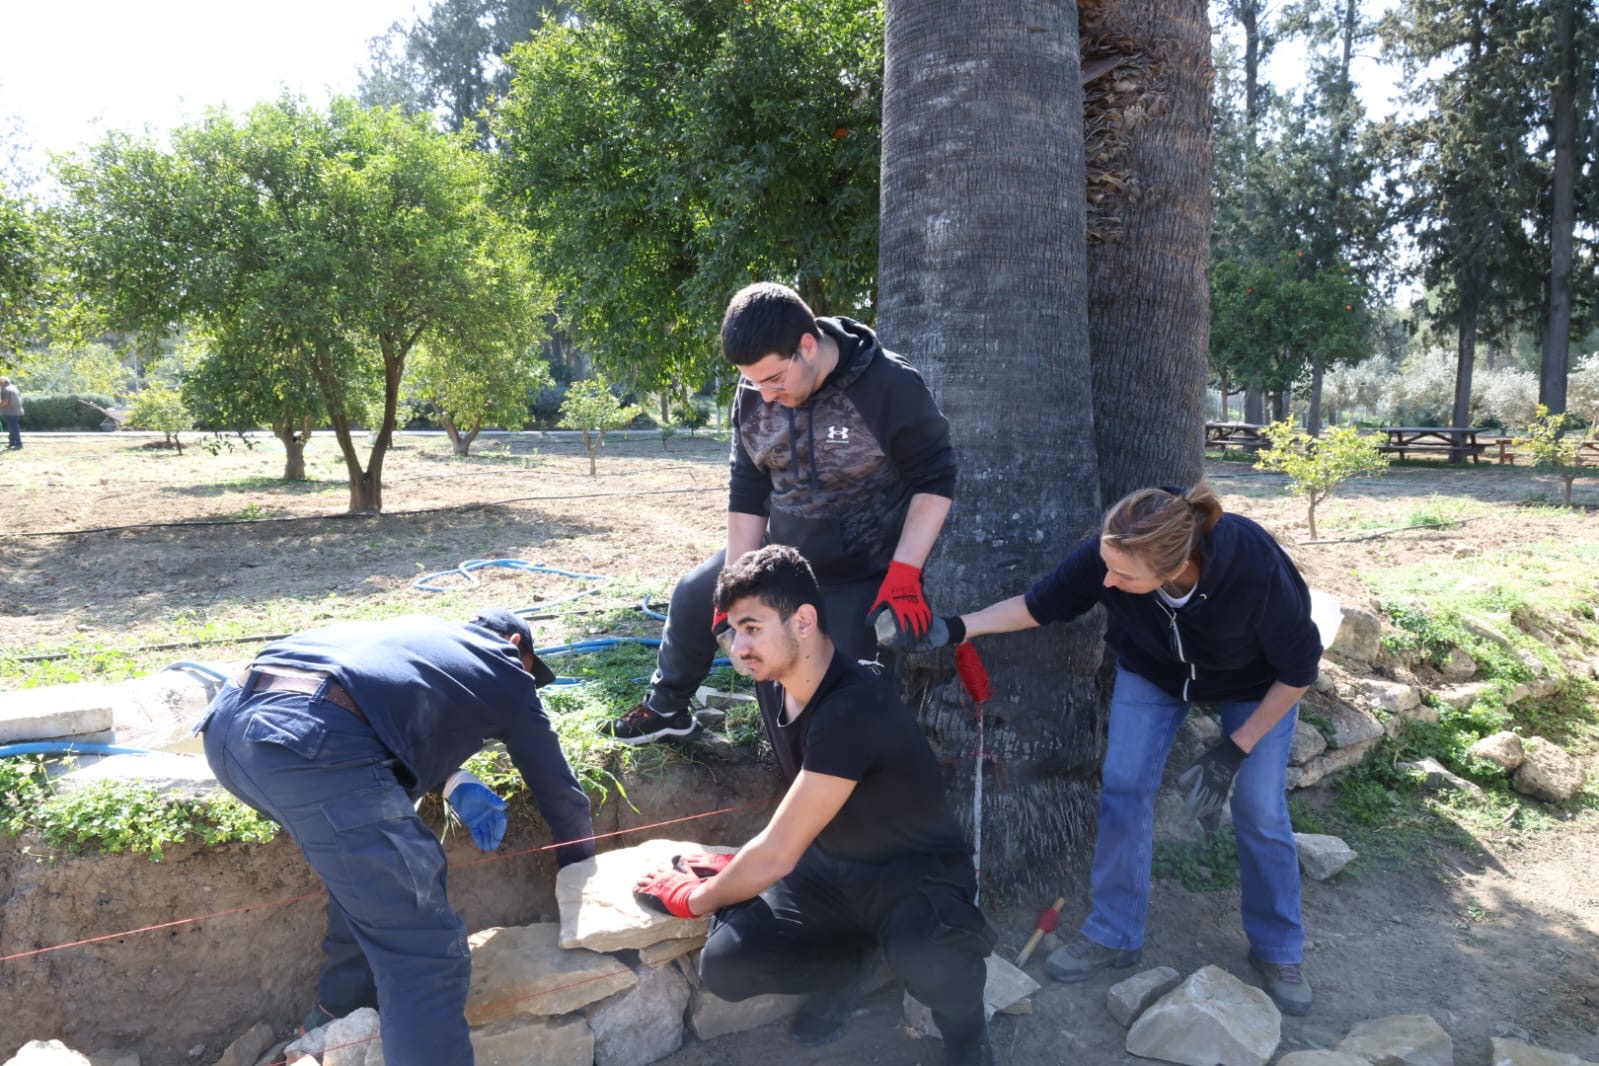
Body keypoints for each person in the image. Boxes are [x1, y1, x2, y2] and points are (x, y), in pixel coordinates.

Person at [899, 483, 1322, 1016]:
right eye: (1106, 567)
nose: (1107, 582)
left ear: (1174, 568)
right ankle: (1114, 933)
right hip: (1153, 671)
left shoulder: (1250, 564)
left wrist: (1234, 749)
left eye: (1124, 577)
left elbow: (1299, 670)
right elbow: (1038, 605)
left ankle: (1278, 949)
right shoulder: (1113, 551)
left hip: (1258, 684)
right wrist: (957, 628)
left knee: (1259, 808)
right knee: (1124, 787)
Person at [632, 545, 996, 1065]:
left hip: (913, 875)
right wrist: (742, 872)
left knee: (934, 962)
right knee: (727, 965)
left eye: (752, 628)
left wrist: (697, 898)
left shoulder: (853, 706)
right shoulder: (777, 680)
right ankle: (850, 967)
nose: (739, 646)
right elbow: (792, 833)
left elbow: (778, 853)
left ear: (803, 621)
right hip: (828, 866)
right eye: (733, 630)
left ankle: (966, 1033)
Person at [197, 608, 596, 1065]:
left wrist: (453, 780)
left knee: (367, 876)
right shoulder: (506, 667)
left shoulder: (421, 635)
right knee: (423, 952)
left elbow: (387, 710)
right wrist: (580, 874)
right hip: (306, 742)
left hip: (228, 727)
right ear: (515, 643)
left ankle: (337, 1012)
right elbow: (560, 792)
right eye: (530, 669)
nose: (529, 681)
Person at [603, 281, 956, 745]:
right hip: (783, 555)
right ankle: (666, 708)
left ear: (807, 346)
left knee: (842, 693)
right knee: (695, 594)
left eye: (773, 380)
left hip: (865, 569)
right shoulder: (755, 391)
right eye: (754, 382)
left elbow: (935, 477)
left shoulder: (889, 385)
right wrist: (733, 585)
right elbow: (747, 490)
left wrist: (905, 574)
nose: (765, 395)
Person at [0, 376, 23, 450]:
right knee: (12, 427)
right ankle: (12, 443)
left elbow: (5, 402)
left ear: (3, 382)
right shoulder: (13, 387)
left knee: (13, 428)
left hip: (10, 411)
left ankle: (18, 444)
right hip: (16, 410)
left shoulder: (5, 389)